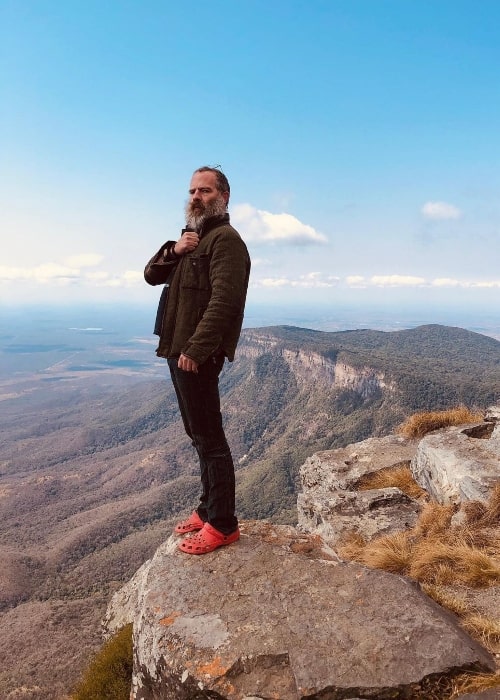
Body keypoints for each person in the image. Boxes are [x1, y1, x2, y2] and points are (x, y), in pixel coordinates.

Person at [144, 166, 250, 554]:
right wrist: (176, 249)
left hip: (194, 356)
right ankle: (208, 509)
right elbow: (151, 275)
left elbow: (225, 302)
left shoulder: (226, 241)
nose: (195, 196)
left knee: (210, 438)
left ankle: (222, 524)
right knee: (198, 435)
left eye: (204, 191)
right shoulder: (192, 241)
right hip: (177, 350)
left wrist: (196, 350)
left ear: (223, 197)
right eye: (191, 190)